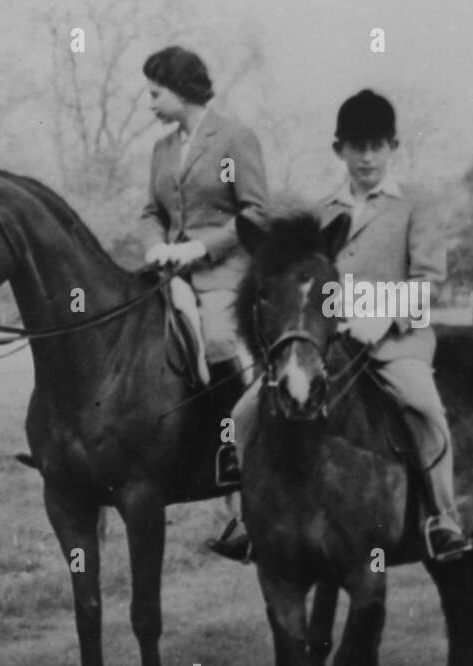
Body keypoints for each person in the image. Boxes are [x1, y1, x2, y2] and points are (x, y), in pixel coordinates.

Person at [221, 89, 468, 563]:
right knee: (243, 414)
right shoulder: (322, 210)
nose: (367, 157)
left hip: (395, 339)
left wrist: (383, 316)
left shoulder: (414, 205)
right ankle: (249, 520)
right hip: (327, 341)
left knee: (425, 408)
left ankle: (443, 516)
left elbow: (429, 281)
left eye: (377, 146)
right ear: (340, 151)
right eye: (357, 147)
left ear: (392, 147)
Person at [138, 45, 270, 553]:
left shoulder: (235, 139)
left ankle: (242, 465)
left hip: (226, 275)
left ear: (180, 90)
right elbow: (150, 210)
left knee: (217, 340)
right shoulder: (161, 150)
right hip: (170, 274)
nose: (149, 102)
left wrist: (200, 247)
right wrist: (156, 245)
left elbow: (255, 213)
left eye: (155, 92)